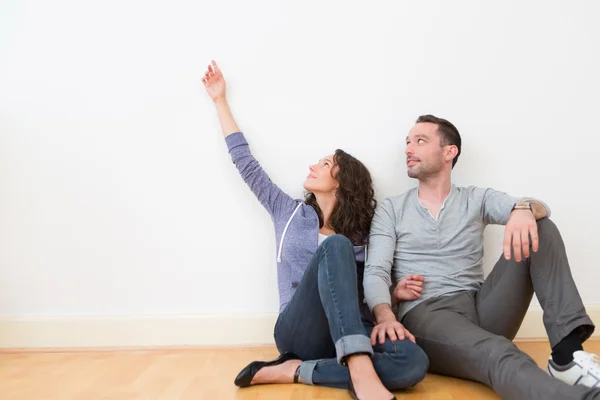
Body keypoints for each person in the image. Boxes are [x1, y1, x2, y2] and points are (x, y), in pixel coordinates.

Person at [202, 61, 428, 399]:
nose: (313, 165)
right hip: (300, 329)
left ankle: (295, 370)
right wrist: (220, 100)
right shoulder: (288, 211)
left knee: (412, 364)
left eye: (325, 164)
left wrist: (393, 294)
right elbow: (245, 162)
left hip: (351, 326)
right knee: (334, 246)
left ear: (342, 182)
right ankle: (360, 371)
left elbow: (367, 286)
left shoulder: (367, 231)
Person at [364, 114, 600, 399]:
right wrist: (386, 315)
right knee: (498, 352)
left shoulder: (475, 198)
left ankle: (566, 355)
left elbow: (540, 207)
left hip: (481, 306)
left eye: (420, 141)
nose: (408, 149)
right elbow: (376, 270)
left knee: (541, 227)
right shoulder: (392, 209)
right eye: (408, 142)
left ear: (449, 151)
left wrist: (523, 208)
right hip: (428, 312)